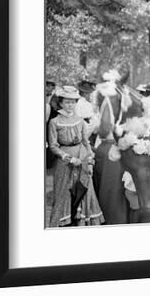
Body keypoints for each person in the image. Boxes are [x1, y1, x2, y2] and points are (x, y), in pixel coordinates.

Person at [48, 86, 104, 227]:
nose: (70, 105)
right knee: (63, 192)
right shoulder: (54, 122)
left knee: (85, 189)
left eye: (73, 102)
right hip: (65, 162)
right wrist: (68, 158)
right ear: (60, 103)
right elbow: (53, 146)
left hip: (82, 158)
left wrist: (89, 159)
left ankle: (81, 222)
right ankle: (63, 223)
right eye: (67, 102)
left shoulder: (80, 120)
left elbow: (86, 141)